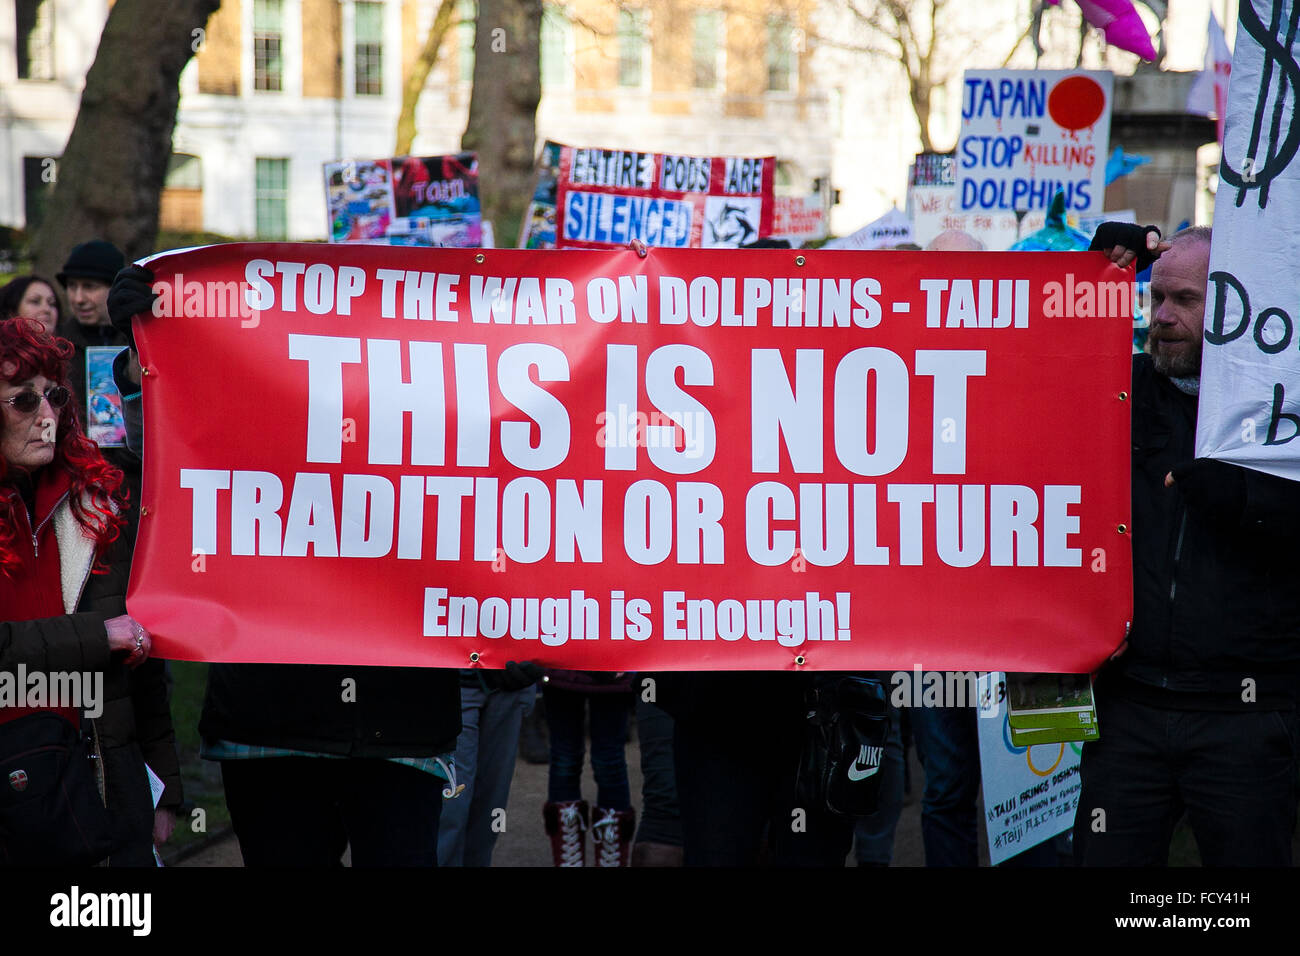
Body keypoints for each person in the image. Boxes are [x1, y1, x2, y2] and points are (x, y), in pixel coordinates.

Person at [108, 265, 464, 868]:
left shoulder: (448, 430)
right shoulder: (261, 410)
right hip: (270, 723)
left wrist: (514, 634)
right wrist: (142, 353)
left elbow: (514, 508)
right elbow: (175, 466)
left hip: (400, 726)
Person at [1076, 223, 1300, 866]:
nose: (1163, 318)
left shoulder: (1279, 413)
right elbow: (1023, 364)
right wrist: (1090, 269)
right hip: (1128, 710)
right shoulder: (1117, 392)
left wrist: (1248, 501)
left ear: (1234, 306)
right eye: (1156, 299)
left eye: (1186, 301)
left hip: (1244, 715)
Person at [0, 317, 181, 865]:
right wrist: (96, 635)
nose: (47, 417)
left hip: (105, 783)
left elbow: (141, 655)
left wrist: (165, 786)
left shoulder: (98, 505)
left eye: (54, 396)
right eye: (22, 401)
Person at [438, 661, 542, 867]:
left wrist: (541, 659)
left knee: (491, 806)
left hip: (512, 679)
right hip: (451, 676)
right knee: (451, 808)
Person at [541, 669, 636, 866]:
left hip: (614, 667)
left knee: (607, 761)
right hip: (560, 663)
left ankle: (610, 854)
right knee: (566, 759)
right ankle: (570, 857)